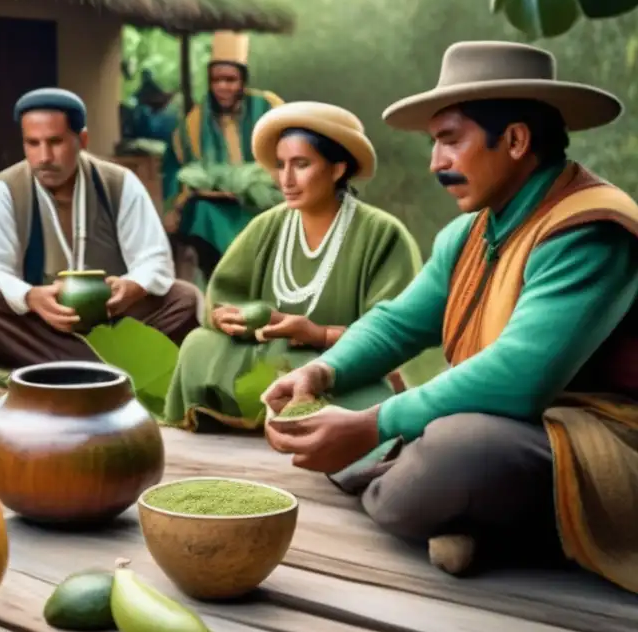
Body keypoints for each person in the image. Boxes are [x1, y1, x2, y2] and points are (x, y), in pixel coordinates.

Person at [260, 41, 638, 592]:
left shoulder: (590, 229)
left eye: (448, 140)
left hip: (599, 439)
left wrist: (374, 425)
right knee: (366, 391)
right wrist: (322, 373)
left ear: (514, 140)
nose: (435, 162)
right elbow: (397, 323)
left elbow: (519, 377)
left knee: (457, 453)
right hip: (516, 426)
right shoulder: (471, 232)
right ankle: (455, 510)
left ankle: (464, 511)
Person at [164, 101, 441, 432]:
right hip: (264, 353)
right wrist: (225, 316)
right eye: (281, 165)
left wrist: (317, 334)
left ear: (338, 169)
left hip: (334, 363)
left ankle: (296, 409)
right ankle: (264, 409)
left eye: (301, 164)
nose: (287, 179)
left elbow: (396, 332)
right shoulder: (267, 226)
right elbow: (224, 295)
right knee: (198, 344)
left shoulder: (382, 234)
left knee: (367, 388)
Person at [0, 88, 201, 368]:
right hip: (37, 325)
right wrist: (31, 297)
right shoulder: (4, 191)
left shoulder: (119, 183)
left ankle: (63, 365)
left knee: (184, 299)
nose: (43, 156)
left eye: (55, 142)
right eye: (32, 143)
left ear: (82, 139)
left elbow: (154, 259)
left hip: (112, 321)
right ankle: (104, 367)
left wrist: (132, 286)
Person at [162, 31, 285, 280]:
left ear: (243, 81)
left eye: (230, 80)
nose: (223, 87)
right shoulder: (194, 122)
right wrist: (177, 199)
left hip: (260, 201)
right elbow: (174, 167)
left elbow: (290, 148)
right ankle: (222, 279)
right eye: (216, 80)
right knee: (201, 213)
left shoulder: (269, 107)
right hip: (216, 206)